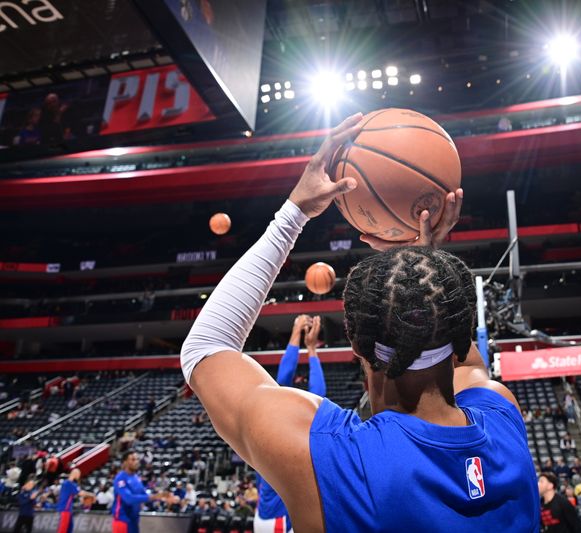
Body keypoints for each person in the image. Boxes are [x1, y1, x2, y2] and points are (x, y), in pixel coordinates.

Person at [179, 114, 539, 532]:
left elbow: (205, 347)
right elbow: (469, 366)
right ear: (458, 339)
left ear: (359, 351)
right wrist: (421, 266)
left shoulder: (331, 459)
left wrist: (293, 214)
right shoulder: (501, 415)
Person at [256, 314, 327, 533]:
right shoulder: (302, 433)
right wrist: (312, 349)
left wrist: (296, 333)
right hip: (279, 520)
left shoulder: (269, 426)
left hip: (269, 516)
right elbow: (319, 396)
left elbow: (283, 382)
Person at [112, 451, 161, 533]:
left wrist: (163, 497)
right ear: (125, 462)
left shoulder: (136, 477)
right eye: (133, 459)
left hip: (134, 520)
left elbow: (144, 495)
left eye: (137, 459)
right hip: (122, 520)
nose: (136, 462)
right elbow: (129, 499)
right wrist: (152, 497)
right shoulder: (120, 478)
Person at [57, 468, 92, 533]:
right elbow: (80, 493)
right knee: (63, 529)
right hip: (65, 508)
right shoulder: (69, 483)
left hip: (68, 509)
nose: (79, 476)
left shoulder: (69, 483)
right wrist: (91, 494)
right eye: (79, 474)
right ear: (75, 474)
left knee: (69, 528)